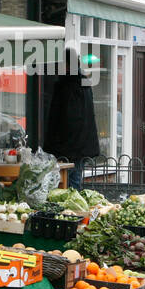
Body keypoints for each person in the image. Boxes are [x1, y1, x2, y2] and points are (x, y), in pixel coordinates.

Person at [44, 47, 101, 189]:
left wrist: (56, 147)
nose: (57, 68)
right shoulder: (83, 82)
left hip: (69, 147)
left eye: (59, 64)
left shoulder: (67, 86)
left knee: (68, 183)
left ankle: (71, 211)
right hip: (80, 146)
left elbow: (69, 119)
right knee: (73, 180)